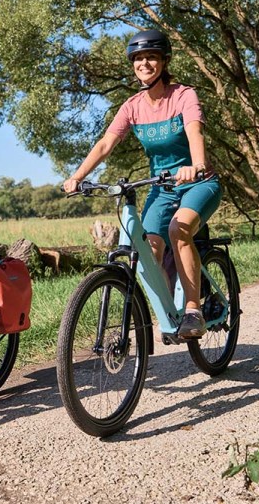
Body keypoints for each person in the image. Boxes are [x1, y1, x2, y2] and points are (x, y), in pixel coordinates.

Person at [62, 29, 221, 339]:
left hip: (199, 183)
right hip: (162, 187)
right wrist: (77, 176)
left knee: (179, 229)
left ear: (163, 61)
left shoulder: (183, 95)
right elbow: (106, 144)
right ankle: (167, 310)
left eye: (150, 57)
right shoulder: (132, 106)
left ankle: (192, 310)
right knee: (147, 247)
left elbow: (194, 133)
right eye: (137, 58)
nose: (144, 63)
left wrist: (197, 165)